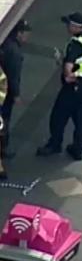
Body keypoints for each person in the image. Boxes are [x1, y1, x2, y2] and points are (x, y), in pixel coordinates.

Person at [37, 12, 82, 161]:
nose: (67, 27)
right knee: (80, 118)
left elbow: (68, 72)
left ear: (75, 27)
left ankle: (54, 144)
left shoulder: (75, 44)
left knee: (58, 116)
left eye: (68, 24)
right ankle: (78, 149)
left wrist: (61, 62)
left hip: (73, 87)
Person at [0, 20, 31, 159]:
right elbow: (13, 76)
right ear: (19, 33)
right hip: (5, 94)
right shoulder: (15, 53)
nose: (27, 37)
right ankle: (2, 149)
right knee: (4, 120)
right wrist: (16, 95)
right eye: (26, 34)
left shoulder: (5, 43)